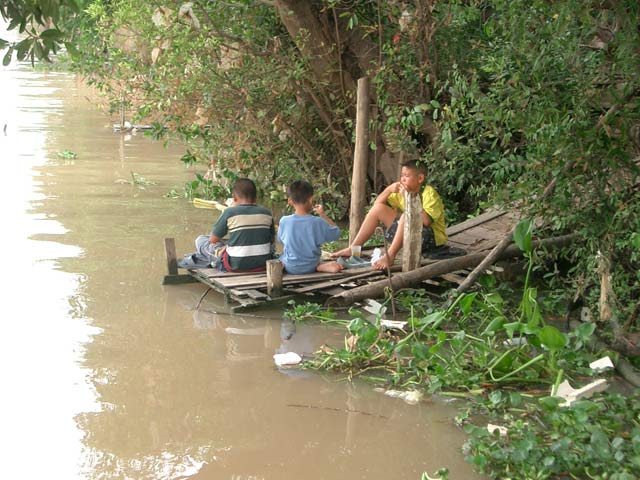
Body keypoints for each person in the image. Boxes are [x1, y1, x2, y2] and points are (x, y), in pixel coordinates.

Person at [332, 160, 447, 270]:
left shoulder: (429, 193)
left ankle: (390, 256)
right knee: (378, 209)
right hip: (408, 234)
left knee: (405, 216)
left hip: (431, 241)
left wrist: (407, 198)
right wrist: (388, 189)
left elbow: (426, 221)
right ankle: (354, 249)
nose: (402, 179)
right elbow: (377, 206)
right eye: (402, 175)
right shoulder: (400, 192)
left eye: (406, 176)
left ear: (420, 178)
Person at [182, 178, 275, 272]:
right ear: (256, 198)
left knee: (201, 240)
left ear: (234, 198)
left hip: (234, 265)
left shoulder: (229, 212)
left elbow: (213, 240)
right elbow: (271, 240)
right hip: (262, 264)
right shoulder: (267, 213)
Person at [277, 180, 344, 274]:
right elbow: (337, 233)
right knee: (316, 258)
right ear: (311, 199)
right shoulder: (318, 222)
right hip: (311, 266)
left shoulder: (284, 221)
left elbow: (280, 240)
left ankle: (282, 266)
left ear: (290, 201)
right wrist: (322, 214)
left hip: (291, 267)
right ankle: (320, 266)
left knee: (280, 257)